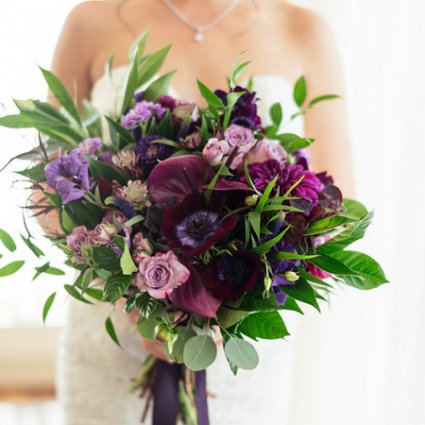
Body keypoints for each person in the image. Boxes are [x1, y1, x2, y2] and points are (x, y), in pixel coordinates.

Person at [40, 0, 355, 423]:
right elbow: (47, 188)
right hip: (113, 339)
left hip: (240, 361)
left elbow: (338, 207)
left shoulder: (303, 30)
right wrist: (132, 291)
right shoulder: (91, 21)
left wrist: (236, 306)